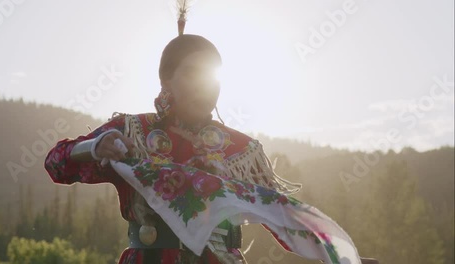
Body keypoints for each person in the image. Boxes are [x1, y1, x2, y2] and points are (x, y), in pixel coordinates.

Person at [45, 3, 378, 264]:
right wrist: (95, 147)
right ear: (166, 79)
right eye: (191, 73)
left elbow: (281, 218)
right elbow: (56, 163)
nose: (204, 84)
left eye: (212, 75)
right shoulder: (131, 133)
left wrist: (340, 256)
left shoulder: (241, 151)